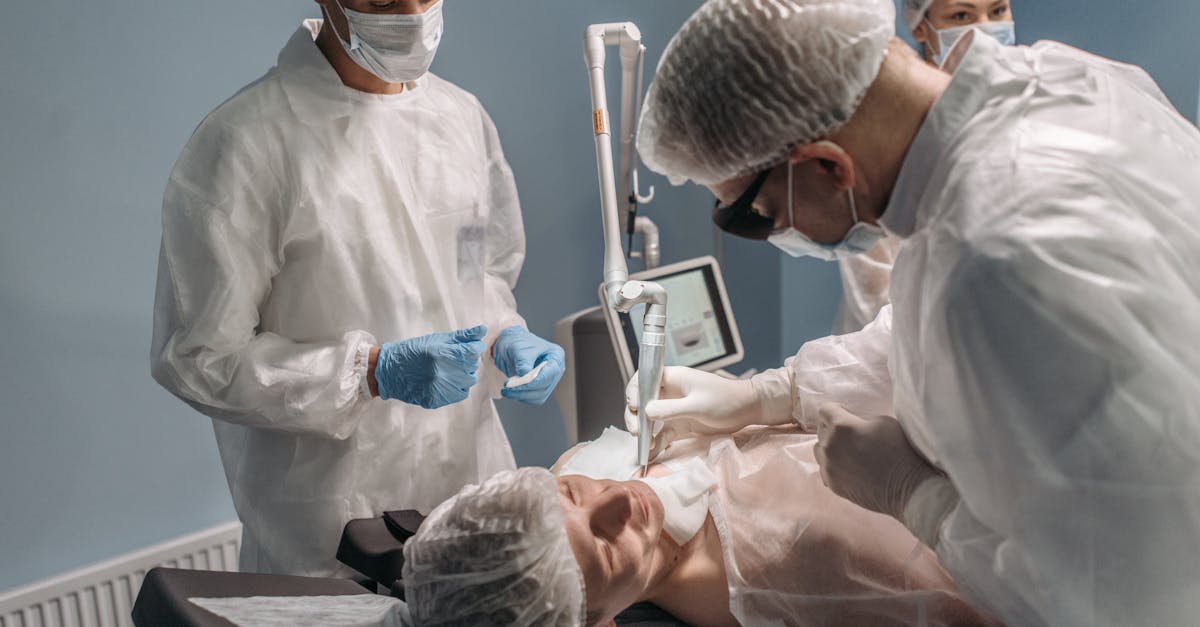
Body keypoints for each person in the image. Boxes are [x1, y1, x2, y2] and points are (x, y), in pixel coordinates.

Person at [627, 0, 1200, 625]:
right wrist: (774, 394)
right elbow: (960, 344)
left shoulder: (992, 256)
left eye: (758, 216)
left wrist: (917, 500)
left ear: (827, 164)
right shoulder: (1059, 83)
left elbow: (1125, 595)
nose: (781, 230)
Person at [150, 0, 564, 578]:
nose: (412, 14)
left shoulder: (460, 118)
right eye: (384, 1)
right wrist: (369, 372)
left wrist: (505, 338)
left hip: (473, 497)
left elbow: (478, 275)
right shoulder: (246, 141)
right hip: (333, 538)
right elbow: (198, 357)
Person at [401, 427, 1000, 626]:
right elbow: (999, 598)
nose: (618, 501)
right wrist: (917, 496)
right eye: (605, 549)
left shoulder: (575, 465)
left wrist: (771, 394)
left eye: (570, 493)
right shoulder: (790, 575)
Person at [835, 0, 1018, 334]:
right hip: (900, 350)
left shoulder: (1027, 108)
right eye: (961, 15)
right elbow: (876, 303)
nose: (985, 29)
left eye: (997, 11)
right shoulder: (888, 134)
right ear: (921, 25)